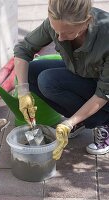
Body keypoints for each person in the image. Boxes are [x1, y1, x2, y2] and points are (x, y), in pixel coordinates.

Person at [14, 0, 109, 160]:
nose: (60, 38)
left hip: (104, 93)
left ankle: (103, 122)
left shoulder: (106, 35)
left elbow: (104, 93)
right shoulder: (58, 21)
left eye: (68, 33)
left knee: (48, 81)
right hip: (83, 73)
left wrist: (69, 123)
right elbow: (23, 49)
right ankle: (81, 120)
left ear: (86, 21)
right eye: (56, 30)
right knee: (32, 72)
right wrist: (23, 91)